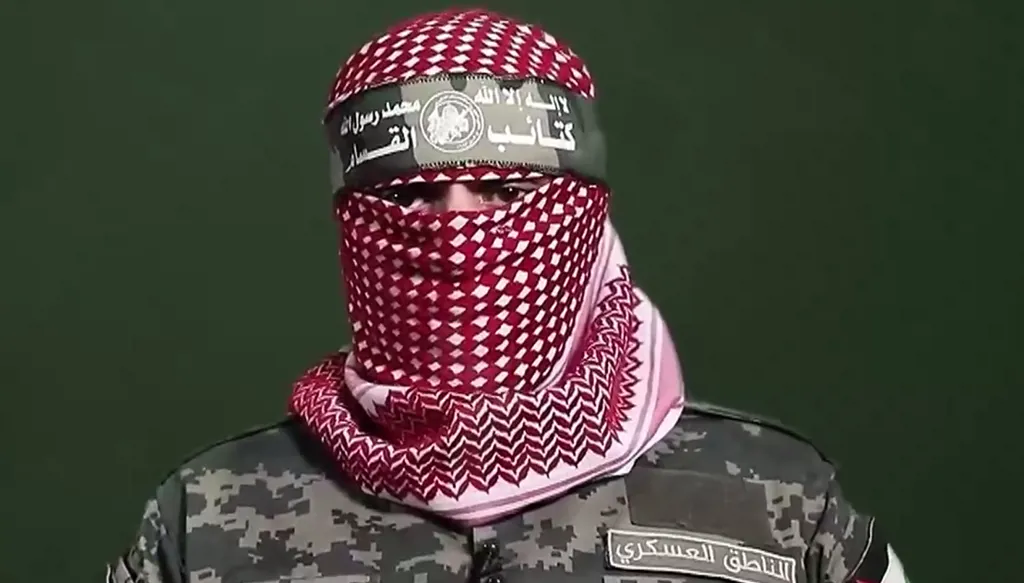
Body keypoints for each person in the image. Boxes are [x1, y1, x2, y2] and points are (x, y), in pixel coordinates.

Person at [106, 8, 909, 583]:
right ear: (353, 221)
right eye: (414, 196)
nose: (457, 228)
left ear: (583, 209)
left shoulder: (779, 501)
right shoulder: (204, 519)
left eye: (503, 190)